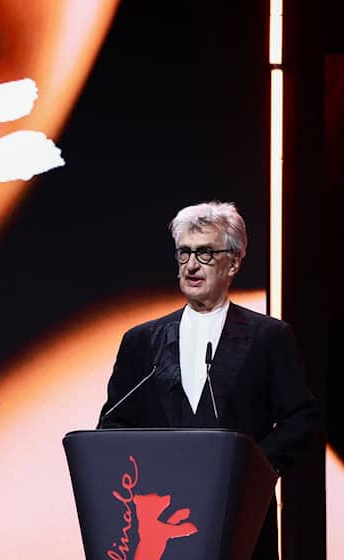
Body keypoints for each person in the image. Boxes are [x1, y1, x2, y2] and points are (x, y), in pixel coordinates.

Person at [97, 200, 319, 560]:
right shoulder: (141, 341)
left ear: (233, 262)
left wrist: (253, 469)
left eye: (205, 253)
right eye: (184, 253)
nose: (191, 265)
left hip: (241, 517)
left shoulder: (269, 337)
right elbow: (114, 422)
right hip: (162, 521)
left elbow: (301, 418)